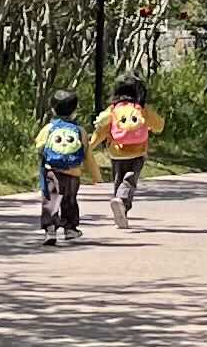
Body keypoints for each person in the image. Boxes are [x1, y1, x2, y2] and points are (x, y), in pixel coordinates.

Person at [99, 77, 161, 224]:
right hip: (138, 152)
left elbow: (102, 129)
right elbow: (158, 126)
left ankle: (121, 210)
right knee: (130, 180)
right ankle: (121, 202)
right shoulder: (141, 109)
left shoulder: (113, 109)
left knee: (118, 180)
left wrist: (90, 145)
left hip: (116, 152)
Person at [35, 91, 89, 240]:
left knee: (51, 200)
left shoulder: (48, 128)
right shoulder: (80, 130)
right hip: (73, 173)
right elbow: (85, 150)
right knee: (69, 201)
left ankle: (50, 230)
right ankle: (70, 229)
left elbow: (39, 146)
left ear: (53, 109)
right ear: (75, 110)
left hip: (52, 171)